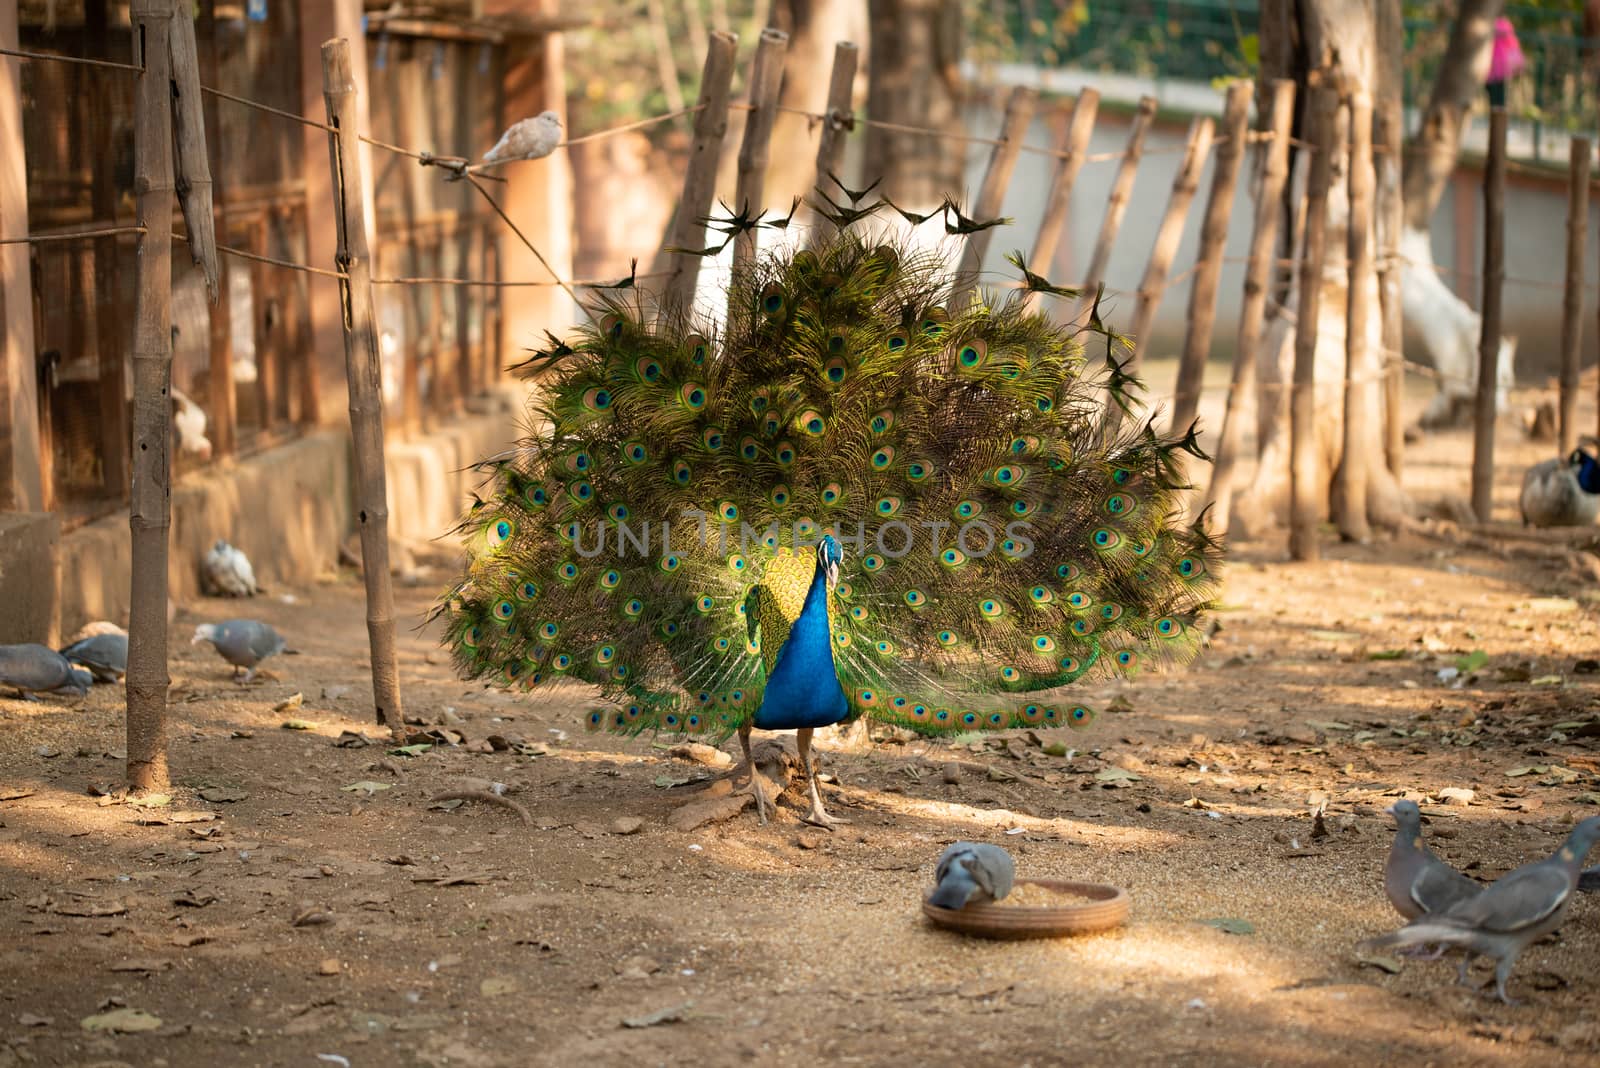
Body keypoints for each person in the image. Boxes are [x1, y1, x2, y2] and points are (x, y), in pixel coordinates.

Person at [1487, 15, 1525, 108]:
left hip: (1500, 65)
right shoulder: (1490, 21)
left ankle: (1498, 111)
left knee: (1499, 92)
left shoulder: (1503, 23)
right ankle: (1496, 109)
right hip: (1490, 65)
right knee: (1493, 91)